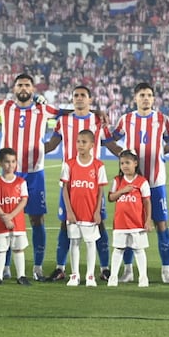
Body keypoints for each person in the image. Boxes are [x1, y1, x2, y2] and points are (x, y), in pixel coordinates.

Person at [0, 74, 62, 281]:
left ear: (33, 89)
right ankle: (4, 267)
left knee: (36, 218)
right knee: (6, 216)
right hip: (10, 174)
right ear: (14, 89)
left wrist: (97, 112)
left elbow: (68, 113)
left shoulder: (43, 109)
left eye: (27, 85)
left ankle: (37, 266)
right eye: (20, 84)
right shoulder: (4, 106)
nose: (23, 88)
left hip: (34, 172)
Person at [45, 86, 116, 281]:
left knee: (99, 224)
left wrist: (130, 158)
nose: (78, 98)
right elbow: (52, 144)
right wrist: (32, 149)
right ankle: (61, 267)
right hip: (69, 182)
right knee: (65, 223)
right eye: (75, 95)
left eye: (83, 95)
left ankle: (104, 268)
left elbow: (109, 142)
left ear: (90, 99)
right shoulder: (64, 121)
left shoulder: (98, 120)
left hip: (93, 185)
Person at [109, 82, 169, 283]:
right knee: (129, 226)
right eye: (142, 95)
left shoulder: (163, 119)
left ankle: (166, 270)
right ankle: (128, 271)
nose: (145, 98)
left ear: (154, 99)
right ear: (135, 98)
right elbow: (109, 140)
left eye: (149, 95)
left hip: (156, 182)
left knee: (161, 224)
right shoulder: (126, 119)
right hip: (131, 183)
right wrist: (124, 157)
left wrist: (161, 153)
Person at [60, 129, 108, 287]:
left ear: (92, 145)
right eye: (78, 141)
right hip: (74, 213)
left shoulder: (98, 166)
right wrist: (69, 211)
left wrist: (97, 211)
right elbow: (65, 189)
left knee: (90, 243)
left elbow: (100, 191)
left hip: (90, 213)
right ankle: (74, 275)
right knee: (74, 242)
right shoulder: (69, 164)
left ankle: (90, 276)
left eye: (84, 142)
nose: (80, 145)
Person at [107, 149, 152, 288]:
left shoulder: (142, 181)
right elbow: (110, 198)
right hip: (120, 223)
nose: (125, 166)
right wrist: (122, 191)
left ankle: (143, 278)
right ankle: (113, 277)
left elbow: (147, 202)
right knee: (118, 249)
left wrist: (148, 220)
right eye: (122, 163)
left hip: (136, 223)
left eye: (128, 162)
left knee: (139, 250)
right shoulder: (117, 180)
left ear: (135, 163)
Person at [0, 147, 31, 286]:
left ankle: (21, 276)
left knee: (18, 248)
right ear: (0, 163)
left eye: (13, 162)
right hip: (1, 223)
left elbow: (23, 201)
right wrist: (3, 217)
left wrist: (10, 216)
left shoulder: (21, 182)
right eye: (7, 162)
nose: (10, 165)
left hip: (17, 223)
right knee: (1, 249)